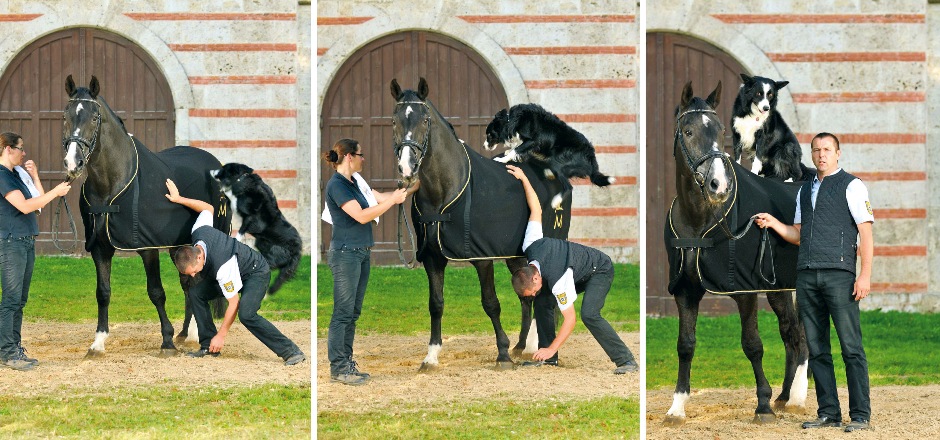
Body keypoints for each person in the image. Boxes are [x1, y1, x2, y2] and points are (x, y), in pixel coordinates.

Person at [753, 132, 873, 432]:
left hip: (840, 275)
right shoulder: (805, 191)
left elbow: (866, 233)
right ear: (811, 154)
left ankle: (860, 415)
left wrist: (865, 274)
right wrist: (774, 224)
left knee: (851, 348)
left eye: (827, 150)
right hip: (806, 276)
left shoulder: (853, 186)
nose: (821, 155)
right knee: (817, 349)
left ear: (838, 153)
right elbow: (798, 233)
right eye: (816, 150)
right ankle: (829, 413)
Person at [506, 164, 638, 374]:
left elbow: (570, 320)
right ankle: (549, 360)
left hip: (599, 269)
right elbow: (537, 209)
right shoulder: (531, 245)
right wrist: (523, 178)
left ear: (535, 279)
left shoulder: (558, 281)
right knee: (542, 302)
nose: (530, 295)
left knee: (589, 314)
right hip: (574, 267)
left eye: (531, 291)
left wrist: (552, 348)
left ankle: (626, 361)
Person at [164, 178, 305, 366]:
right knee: (196, 292)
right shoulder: (200, 232)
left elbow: (233, 303)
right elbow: (208, 209)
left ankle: (291, 351)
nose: (193, 275)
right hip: (234, 268)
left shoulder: (223, 266)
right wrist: (179, 199)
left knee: (247, 314)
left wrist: (221, 335)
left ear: (198, 257)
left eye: (193, 271)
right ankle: (207, 345)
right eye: (189, 274)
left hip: (255, 273)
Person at [323, 138, 413, 386]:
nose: (364, 159)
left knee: (352, 312)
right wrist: (391, 202)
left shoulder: (356, 182)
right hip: (345, 254)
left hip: (361, 252)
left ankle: (347, 362)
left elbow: (377, 198)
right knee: (342, 312)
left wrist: (399, 194)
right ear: (349, 157)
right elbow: (362, 216)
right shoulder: (337, 186)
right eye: (361, 155)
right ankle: (338, 367)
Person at [0, 132, 71, 371]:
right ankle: (8, 352)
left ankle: (15, 347)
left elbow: (38, 202)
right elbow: (25, 205)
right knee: (10, 299)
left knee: (19, 300)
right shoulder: (2, 177)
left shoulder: (17, 175)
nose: (24, 152)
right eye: (20, 148)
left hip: (25, 241)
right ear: (8, 149)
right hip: (11, 242)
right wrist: (57, 191)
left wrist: (35, 176)